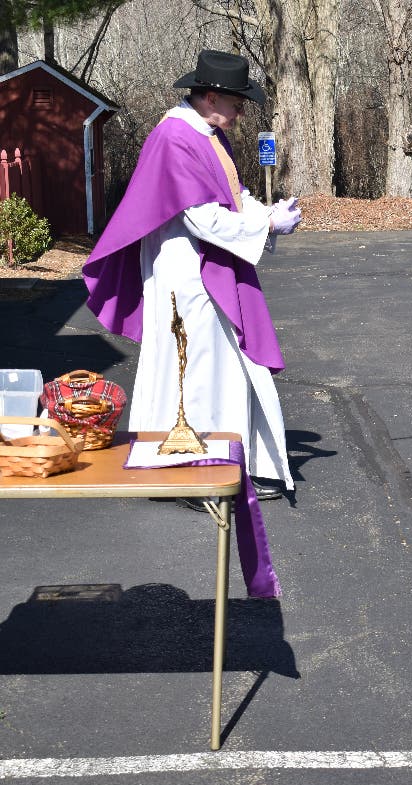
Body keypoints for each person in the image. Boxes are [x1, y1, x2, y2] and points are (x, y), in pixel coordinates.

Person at [82, 49, 300, 506]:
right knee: (193, 368)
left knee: (220, 365)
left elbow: (234, 194)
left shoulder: (208, 134)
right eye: (237, 103)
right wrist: (267, 225)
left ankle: (225, 462)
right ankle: (186, 470)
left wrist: (266, 212)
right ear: (211, 97)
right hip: (185, 270)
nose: (241, 113)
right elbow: (201, 217)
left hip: (207, 264)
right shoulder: (174, 137)